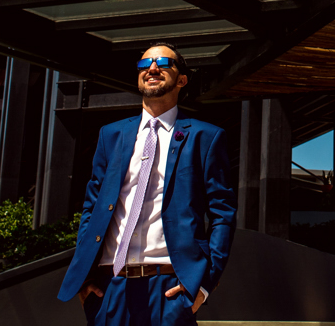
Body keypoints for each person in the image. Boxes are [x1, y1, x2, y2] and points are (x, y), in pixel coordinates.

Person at [57, 42, 236, 325]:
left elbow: (222, 213)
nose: (152, 68)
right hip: (109, 289)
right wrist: (85, 277)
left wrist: (203, 285)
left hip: (169, 289)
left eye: (164, 63)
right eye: (144, 64)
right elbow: (92, 208)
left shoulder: (206, 137)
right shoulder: (111, 135)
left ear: (182, 80)